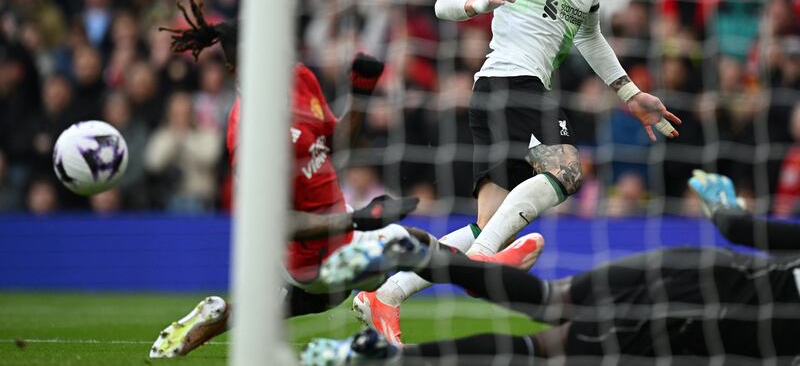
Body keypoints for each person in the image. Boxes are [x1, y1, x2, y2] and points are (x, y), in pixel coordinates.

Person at [354, 0, 683, 343]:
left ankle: (386, 296)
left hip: (510, 91)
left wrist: (629, 93)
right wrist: (482, 2)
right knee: (568, 170)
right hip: (509, 79)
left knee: (489, 222)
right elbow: (445, 2)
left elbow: (589, 35)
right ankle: (486, 259)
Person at [148, 0, 424, 358]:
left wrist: (360, 95)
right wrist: (355, 218)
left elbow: (333, 150)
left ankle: (225, 316)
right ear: (233, 68)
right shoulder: (246, 129)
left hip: (334, 221)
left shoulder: (299, 77)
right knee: (412, 247)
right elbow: (275, 221)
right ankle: (485, 257)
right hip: (304, 247)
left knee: (308, 301)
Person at [303, 171, 800, 363]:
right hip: (715, 324)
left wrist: (724, 207)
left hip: (705, 268)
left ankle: (420, 256)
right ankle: (389, 356)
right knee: (546, 347)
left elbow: (740, 231)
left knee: (552, 301)